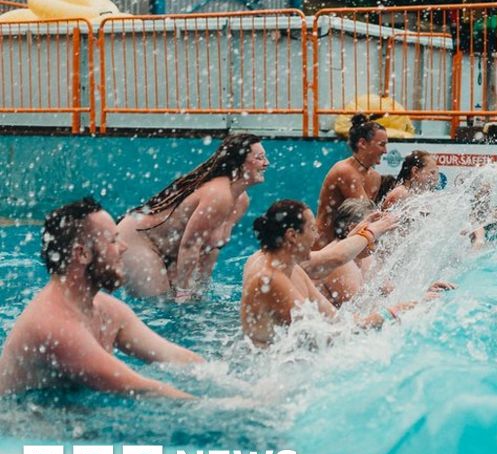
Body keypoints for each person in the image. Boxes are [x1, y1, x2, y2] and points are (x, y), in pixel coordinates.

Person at [0, 198, 202, 399]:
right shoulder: (54, 327)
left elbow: (172, 356)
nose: (123, 247)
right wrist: (219, 406)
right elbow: (140, 388)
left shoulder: (107, 310)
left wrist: (222, 376)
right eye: (113, 240)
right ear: (82, 254)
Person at [117, 133, 269, 299]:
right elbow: (190, 246)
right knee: (159, 303)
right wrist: (184, 293)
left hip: (173, 250)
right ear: (239, 163)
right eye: (259, 158)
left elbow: (211, 248)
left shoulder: (241, 201)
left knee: (187, 301)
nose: (266, 163)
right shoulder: (218, 195)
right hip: (137, 240)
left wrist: (199, 291)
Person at [241, 200, 397, 346]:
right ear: (292, 236)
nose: (316, 237)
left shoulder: (294, 270)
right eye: (312, 229)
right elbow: (323, 334)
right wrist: (387, 314)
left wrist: (395, 311)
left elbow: (337, 321)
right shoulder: (268, 279)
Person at [315, 114, 389, 247]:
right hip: (323, 245)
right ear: (362, 143)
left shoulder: (375, 177)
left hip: (348, 245)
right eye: (381, 145)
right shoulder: (344, 171)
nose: (386, 151)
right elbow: (366, 216)